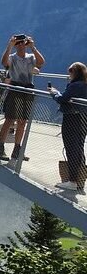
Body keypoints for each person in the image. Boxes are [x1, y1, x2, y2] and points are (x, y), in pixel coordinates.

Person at [0, 34, 45, 161]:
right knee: (9, 119)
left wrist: (33, 47)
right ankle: (0, 149)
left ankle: (17, 150)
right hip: (15, 88)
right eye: (18, 43)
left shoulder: (31, 57)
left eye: (22, 42)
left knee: (22, 121)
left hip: (28, 89)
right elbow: (4, 63)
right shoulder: (12, 57)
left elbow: (41, 63)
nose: (21, 44)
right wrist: (9, 46)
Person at [49, 62, 87, 191]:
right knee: (79, 147)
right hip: (83, 118)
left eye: (70, 71)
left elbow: (63, 99)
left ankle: (72, 181)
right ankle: (79, 180)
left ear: (75, 72)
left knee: (71, 148)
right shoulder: (84, 84)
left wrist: (54, 92)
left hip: (72, 118)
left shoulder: (75, 85)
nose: (68, 74)